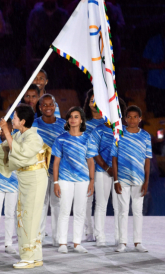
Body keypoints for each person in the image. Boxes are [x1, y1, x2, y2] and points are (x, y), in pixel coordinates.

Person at [0, 104, 50, 269]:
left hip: (35, 179)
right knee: (27, 216)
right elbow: (4, 150)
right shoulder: (18, 135)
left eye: (14, 117)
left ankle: (28, 257)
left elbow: (21, 152)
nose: (12, 120)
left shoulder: (33, 138)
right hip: (24, 179)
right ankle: (35, 256)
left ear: (22, 121)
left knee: (29, 216)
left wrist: (6, 132)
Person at [53, 107, 97, 254]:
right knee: (64, 211)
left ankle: (77, 243)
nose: (73, 119)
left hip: (83, 180)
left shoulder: (88, 138)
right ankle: (62, 243)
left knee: (80, 212)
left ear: (81, 120)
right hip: (65, 179)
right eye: (70, 116)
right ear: (67, 120)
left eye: (76, 116)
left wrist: (92, 181)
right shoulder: (61, 138)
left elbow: (90, 161)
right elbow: (56, 162)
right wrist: (55, 182)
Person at [113, 105, 152, 253]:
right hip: (122, 178)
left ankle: (138, 242)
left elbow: (147, 160)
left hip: (139, 178)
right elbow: (114, 158)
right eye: (129, 116)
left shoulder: (146, 136)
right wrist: (116, 180)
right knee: (123, 210)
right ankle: (122, 242)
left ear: (140, 119)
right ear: (125, 118)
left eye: (135, 117)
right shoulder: (119, 134)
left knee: (137, 210)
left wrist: (146, 181)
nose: (132, 119)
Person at [32, 94, 66, 246]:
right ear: (40, 108)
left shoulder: (64, 125)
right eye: (44, 105)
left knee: (57, 203)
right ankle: (38, 237)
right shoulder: (34, 125)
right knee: (40, 203)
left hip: (59, 171)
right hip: (40, 170)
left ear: (55, 106)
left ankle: (58, 238)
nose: (47, 108)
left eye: (50, 104)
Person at [0, 118, 18, 254]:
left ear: (11, 128)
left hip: (13, 183)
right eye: (1, 127)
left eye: (6, 127)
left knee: (10, 214)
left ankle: (8, 243)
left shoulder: (16, 141)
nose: (3, 130)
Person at [26, 0, 68, 81]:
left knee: (58, 86)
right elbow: (33, 36)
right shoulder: (35, 15)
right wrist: (46, 50)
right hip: (39, 57)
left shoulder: (63, 15)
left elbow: (65, 36)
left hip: (58, 59)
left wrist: (54, 52)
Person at [90, 119, 119, 247]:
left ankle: (120, 237)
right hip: (102, 171)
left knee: (119, 206)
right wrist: (107, 168)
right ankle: (99, 236)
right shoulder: (98, 130)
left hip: (120, 172)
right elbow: (93, 151)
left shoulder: (122, 130)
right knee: (101, 204)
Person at [83, 88, 104, 241]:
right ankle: (88, 232)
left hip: (104, 167)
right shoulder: (83, 122)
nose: (94, 103)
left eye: (97, 100)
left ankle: (98, 232)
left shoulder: (109, 123)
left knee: (101, 201)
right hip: (86, 166)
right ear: (88, 103)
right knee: (87, 200)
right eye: (92, 100)